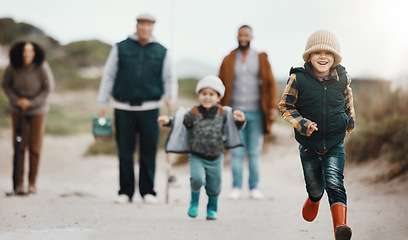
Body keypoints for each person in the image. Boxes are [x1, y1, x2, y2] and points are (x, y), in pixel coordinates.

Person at [278, 30, 355, 240]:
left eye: (328, 53)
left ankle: (341, 227)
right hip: (309, 146)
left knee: (335, 183)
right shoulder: (298, 78)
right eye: (317, 52)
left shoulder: (342, 78)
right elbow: (285, 107)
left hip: (335, 143)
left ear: (335, 58)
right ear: (309, 57)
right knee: (315, 188)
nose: (323, 57)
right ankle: (314, 199)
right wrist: (303, 124)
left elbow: (347, 101)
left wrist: (349, 122)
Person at [97, 13, 178, 204]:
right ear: (136, 25)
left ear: (153, 27)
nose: (145, 29)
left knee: (148, 152)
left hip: (150, 108)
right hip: (122, 107)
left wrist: (170, 97)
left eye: (148, 25)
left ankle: (148, 191)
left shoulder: (162, 51)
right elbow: (109, 75)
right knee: (125, 151)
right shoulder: (120, 47)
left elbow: (169, 78)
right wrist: (102, 102)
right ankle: (125, 191)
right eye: (142, 25)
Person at [158, 76, 245, 220]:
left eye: (211, 94)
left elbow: (233, 127)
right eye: (204, 94)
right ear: (199, 95)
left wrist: (240, 121)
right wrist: (168, 122)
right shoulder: (193, 113)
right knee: (197, 179)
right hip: (196, 155)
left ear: (218, 98)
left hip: (216, 156)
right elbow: (179, 123)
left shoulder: (223, 113)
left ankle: (212, 207)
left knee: (214, 186)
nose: (207, 97)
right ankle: (194, 202)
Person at [218, 25, 279, 200]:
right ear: (237, 36)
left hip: (257, 113)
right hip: (234, 113)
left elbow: (271, 84)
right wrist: (219, 109)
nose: (243, 37)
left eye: (247, 34)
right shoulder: (228, 59)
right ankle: (236, 187)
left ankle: (254, 187)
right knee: (236, 151)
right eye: (241, 34)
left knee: (254, 151)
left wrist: (273, 107)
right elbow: (220, 84)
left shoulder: (261, 58)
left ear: (252, 36)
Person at [2, 41, 55, 194]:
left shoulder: (42, 66)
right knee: (19, 146)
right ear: (20, 53)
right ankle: (18, 183)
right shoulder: (12, 66)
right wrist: (17, 100)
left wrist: (31, 102)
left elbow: (48, 88)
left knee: (35, 146)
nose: (27, 54)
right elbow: (6, 85)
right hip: (17, 108)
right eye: (25, 51)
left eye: (30, 51)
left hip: (38, 109)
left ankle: (32, 183)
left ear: (35, 53)